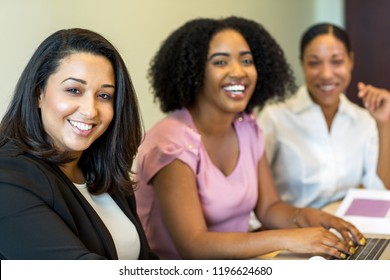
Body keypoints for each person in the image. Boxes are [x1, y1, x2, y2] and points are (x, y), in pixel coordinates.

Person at [135, 17, 365, 260]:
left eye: (246, 60)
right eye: (220, 62)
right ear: (194, 71)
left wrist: (310, 217)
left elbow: (269, 208)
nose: (239, 71)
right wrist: (289, 238)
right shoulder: (170, 141)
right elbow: (193, 245)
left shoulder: (247, 127)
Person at [0, 28, 156, 260]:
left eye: (104, 95)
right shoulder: (8, 176)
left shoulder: (104, 171)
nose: (90, 110)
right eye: (74, 90)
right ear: (38, 93)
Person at [258, 23, 390, 209]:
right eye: (314, 63)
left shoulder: (364, 120)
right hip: (294, 231)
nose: (326, 74)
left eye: (336, 62)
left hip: (348, 229)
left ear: (351, 61)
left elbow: (380, 191)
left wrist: (385, 124)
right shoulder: (275, 118)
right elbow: (254, 198)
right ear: (302, 64)